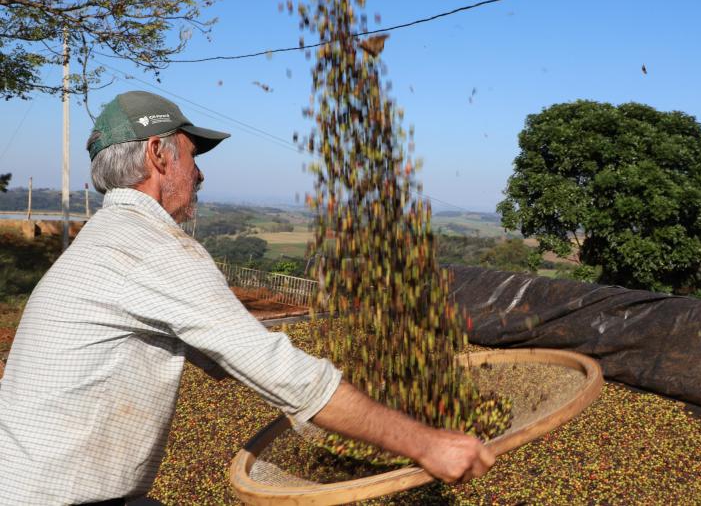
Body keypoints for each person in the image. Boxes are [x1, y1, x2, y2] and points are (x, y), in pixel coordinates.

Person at [0, 91, 495, 505]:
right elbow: (280, 373)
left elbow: (228, 358)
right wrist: (429, 442)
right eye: (192, 156)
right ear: (157, 153)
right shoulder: (154, 249)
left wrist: (346, 380)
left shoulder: (106, 238)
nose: (199, 175)